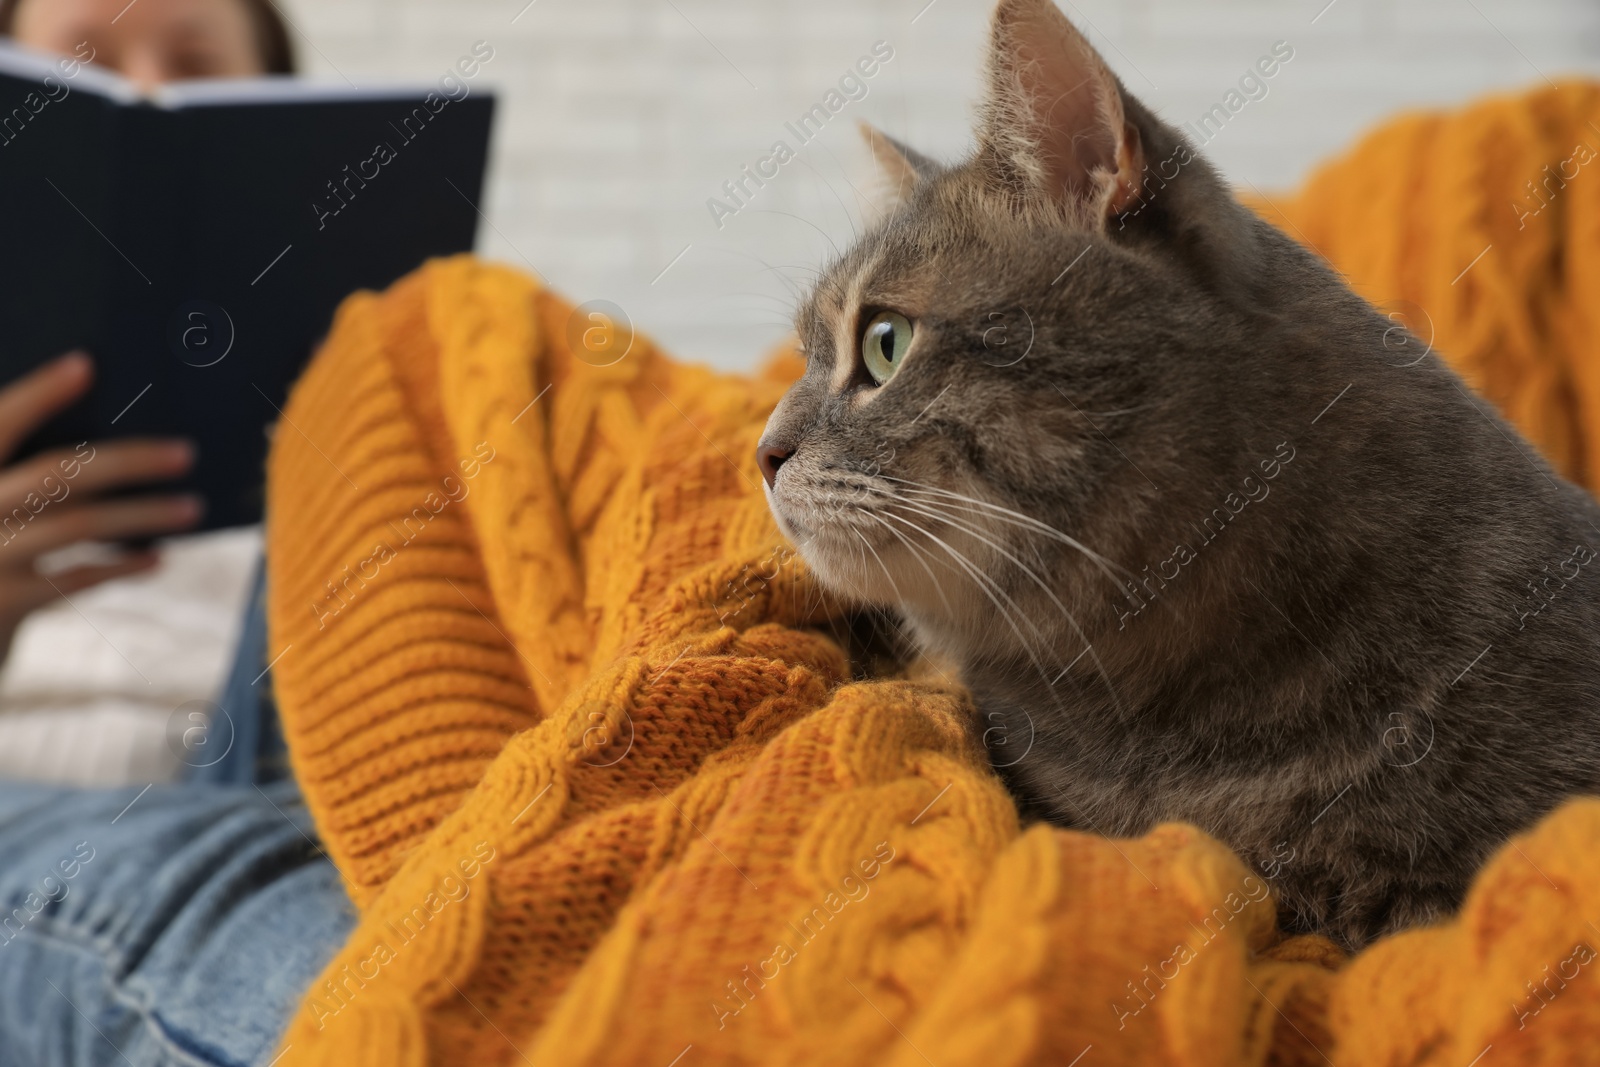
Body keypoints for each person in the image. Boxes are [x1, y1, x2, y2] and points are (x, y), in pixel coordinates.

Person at [0, 4, 354, 1064]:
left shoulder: (354, 423)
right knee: (215, 881)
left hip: (309, 779)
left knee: (436, 359)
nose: (148, 93)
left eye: (194, 64)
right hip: (48, 819)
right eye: (90, 64)